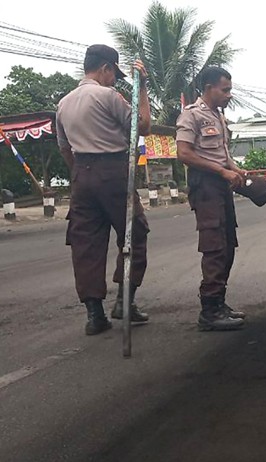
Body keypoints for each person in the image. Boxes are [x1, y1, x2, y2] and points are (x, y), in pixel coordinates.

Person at [56, 44, 151, 336]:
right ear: (105, 68)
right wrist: (143, 87)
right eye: (113, 74)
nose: (114, 80)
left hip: (81, 176)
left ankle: (94, 314)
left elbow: (64, 149)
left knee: (86, 245)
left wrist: (82, 171)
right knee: (133, 233)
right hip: (113, 172)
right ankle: (124, 300)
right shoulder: (108, 96)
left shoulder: (64, 103)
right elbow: (144, 126)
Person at [176, 66, 247, 331]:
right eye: (225, 89)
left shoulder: (218, 116)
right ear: (208, 88)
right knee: (215, 245)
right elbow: (184, 153)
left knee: (228, 244)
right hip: (205, 185)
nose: (229, 95)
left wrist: (234, 168)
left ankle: (219, 302)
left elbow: (221, 152)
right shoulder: (191, 115)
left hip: (221, 186)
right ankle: (209, 311)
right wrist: (220, 171)